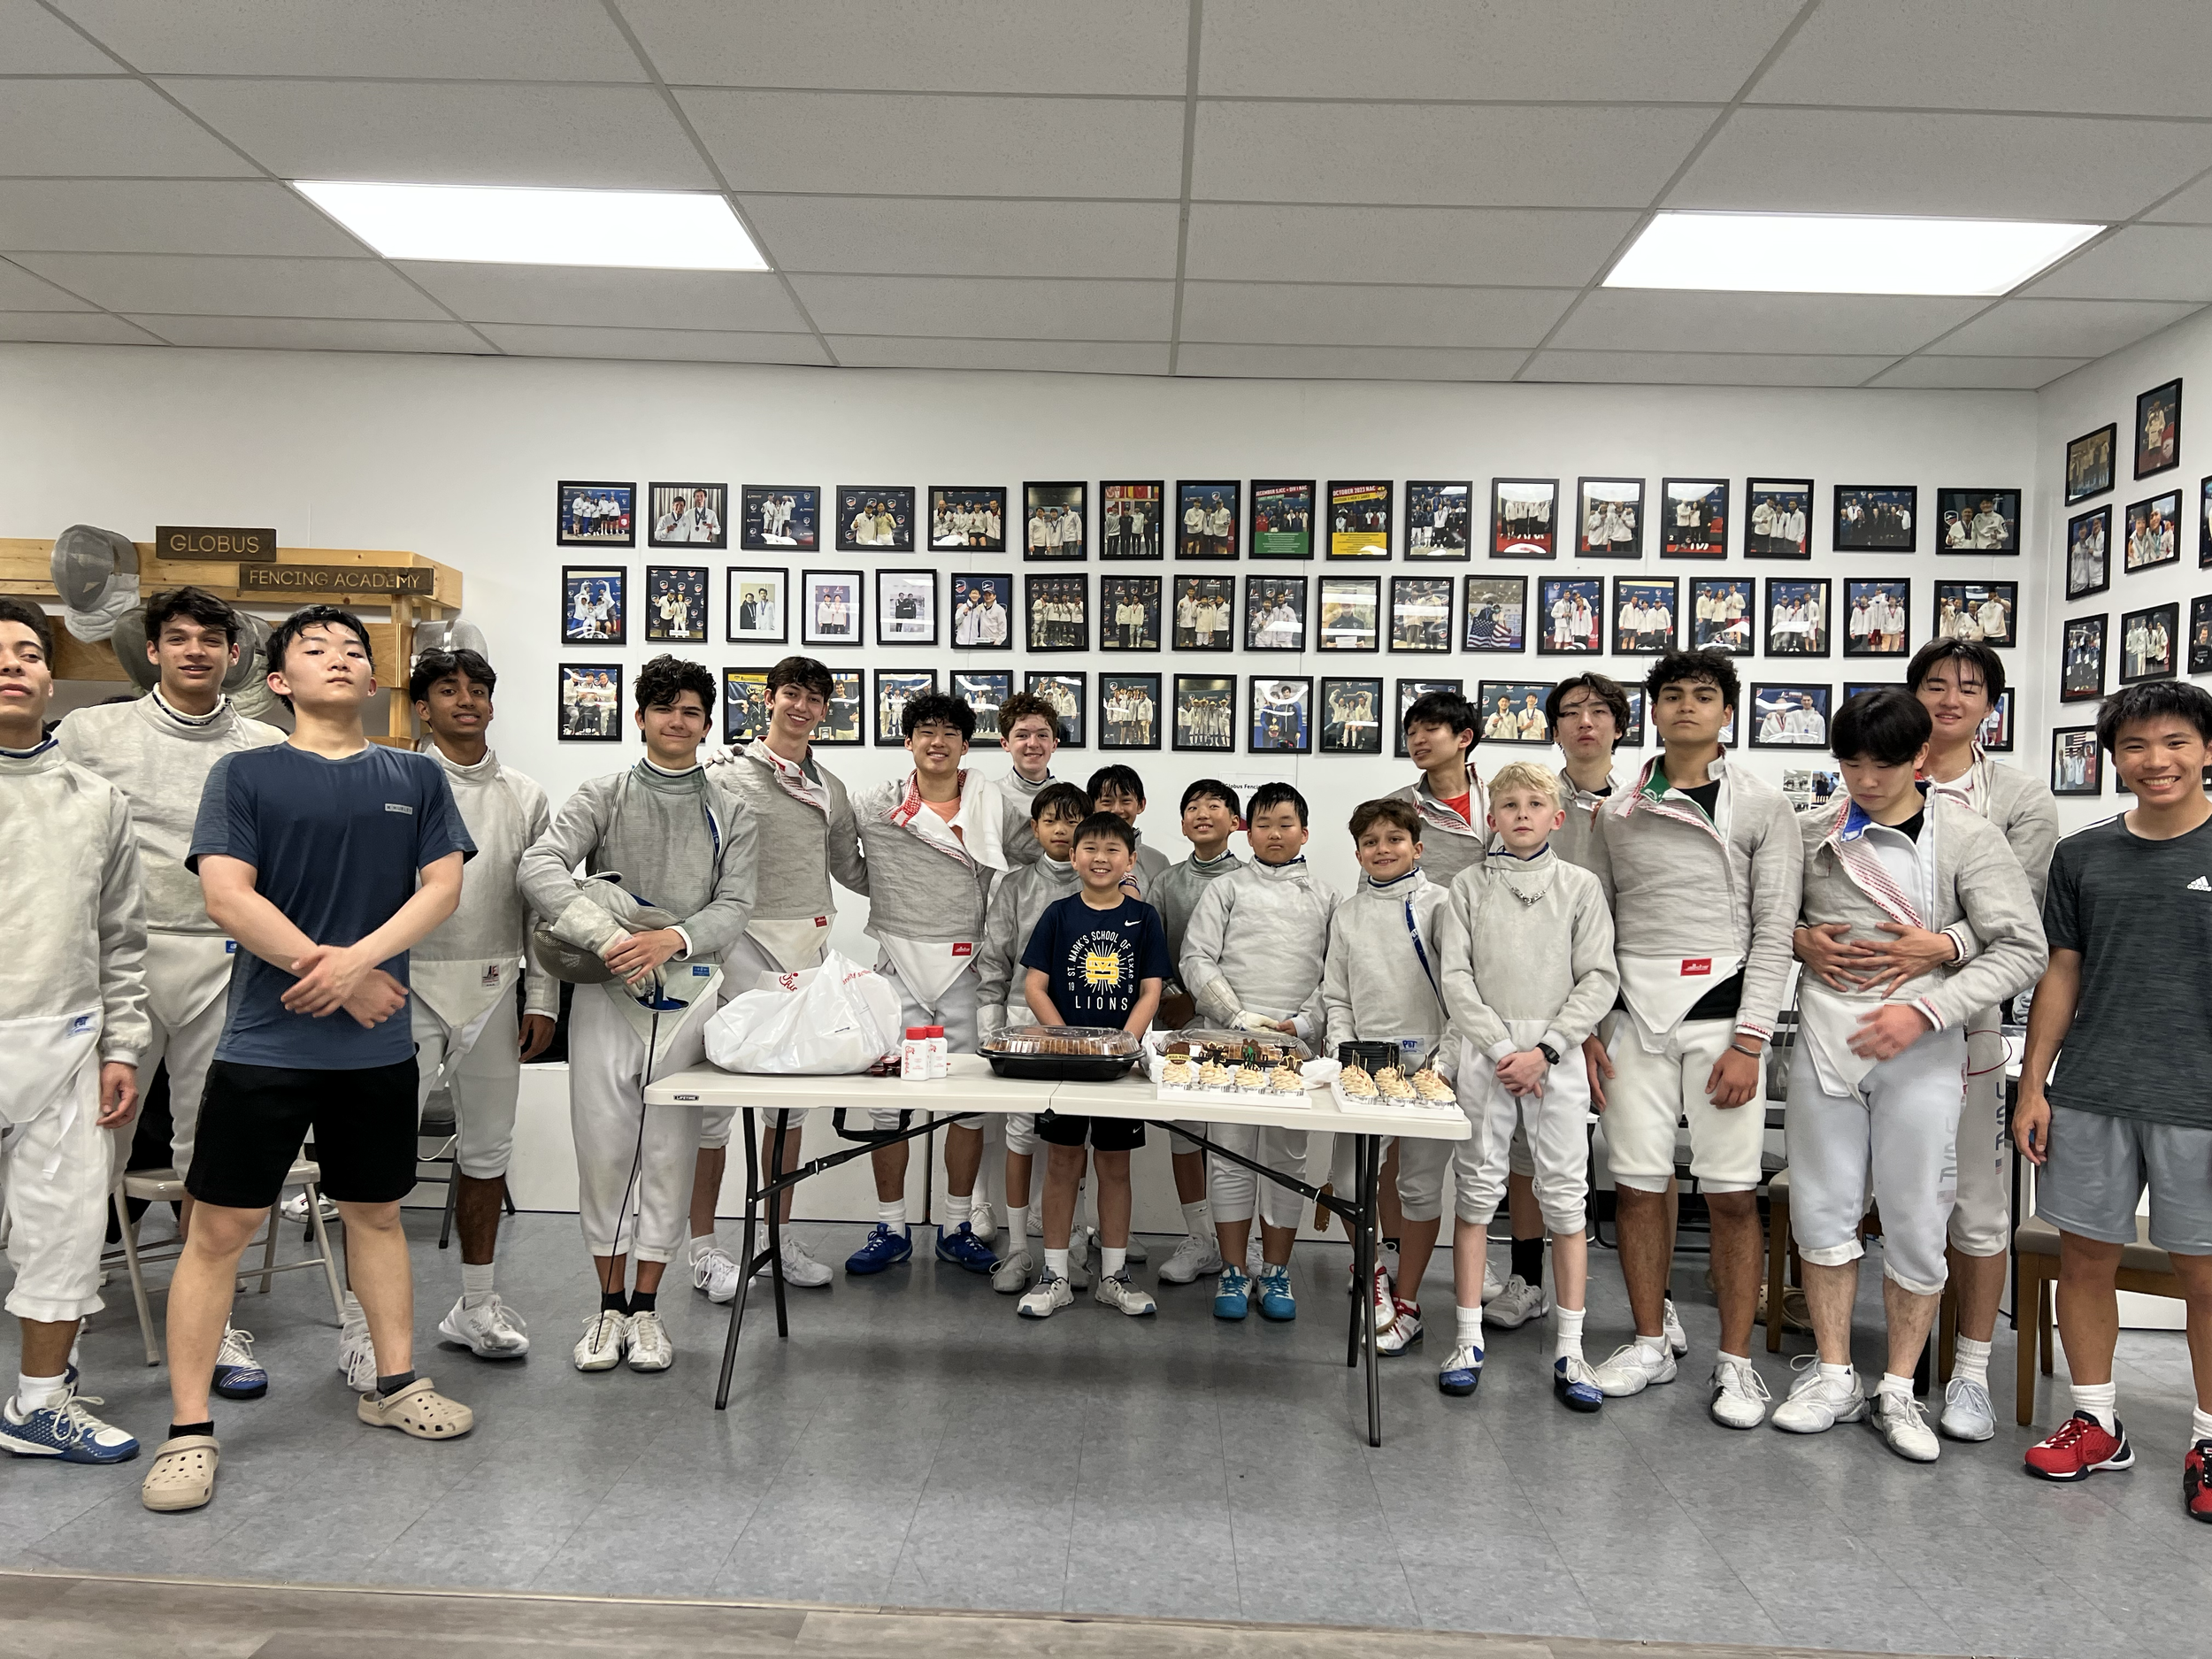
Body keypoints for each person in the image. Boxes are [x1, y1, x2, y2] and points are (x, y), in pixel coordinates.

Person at [145, 605, 475, 1515]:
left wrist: (361, 969)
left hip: (375, 1047)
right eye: (316, 649)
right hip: (264, 1043)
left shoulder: (415, 774)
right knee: (217, 1230)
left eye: (355, 651)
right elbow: (224, 895)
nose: (340, 659)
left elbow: (442, 886)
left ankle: (395, 1383)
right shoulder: (244, 773)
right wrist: (327, 971)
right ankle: (187, 1431)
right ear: (278, 681)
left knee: (374, 1214)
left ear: (377, 682)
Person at [1775, 689, 2046, 1462]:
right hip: (1828, 1036)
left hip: (1926, 1045)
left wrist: (1929, 1004)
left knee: (1918, 1218)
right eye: (1851, 762)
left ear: (1922, 757)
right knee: (1822, 1210)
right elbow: (1759, 920)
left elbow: (2021, 948)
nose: (1865, 778)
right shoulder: (1810, 831)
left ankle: (1897, 1387)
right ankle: (1833, 1374)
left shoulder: (1969, 836)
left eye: (1884, 763)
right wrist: (1800, 941)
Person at [55, 588, 284, 1400]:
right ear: (151, 651)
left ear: (234, 653)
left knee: (207, 1153)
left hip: (228, 961)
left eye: (210, 639)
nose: (195, 651)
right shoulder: (91, 732)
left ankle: (212, 1325)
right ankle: (63, 1339)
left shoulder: (263, 742)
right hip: (121, 961)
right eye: (178, 639)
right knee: (93, 1150)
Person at [519, 655, 758, 1375]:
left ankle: (648, 1311)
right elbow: (539, 866)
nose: (677, 721)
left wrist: (672, 937)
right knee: (603, 1151)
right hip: (605, 993)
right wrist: (613, 938)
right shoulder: (603, 792)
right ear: (641, 717)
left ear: (706, 723)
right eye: (664, 708)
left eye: (690, 711)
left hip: (691, 998)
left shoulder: (731, 807)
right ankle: (607, 1309)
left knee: (668, 1154)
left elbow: (735, 904)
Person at [1585, 649, 1802, 1428]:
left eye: (1702, 696)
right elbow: (1597, 923)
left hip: (1723, 1017)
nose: (1685, 707)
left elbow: (1776, 929)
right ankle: (1649, 1340)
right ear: (1654, 709)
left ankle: (1737, 1365)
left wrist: (1751, 1041)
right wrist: (1590, 1026)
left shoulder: (1761, 805)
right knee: (1638, 1185)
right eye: (1671, 695)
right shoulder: (1618, 808)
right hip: (1632, 1017)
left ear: (1726, 711)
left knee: (1732, 1194)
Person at [2014, 681, 2212, 1516]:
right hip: (2092, 1089)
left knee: (2206, 1274)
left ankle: (2209, 1436)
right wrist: (2035, 1081)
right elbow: (2063, 971)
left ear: (2206, 749)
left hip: (2200, 1101)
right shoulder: (2084, 854)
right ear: (2114, 757)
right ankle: (2097, 1421)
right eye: (2135, 746)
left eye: (2173, 742)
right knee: (2086, 1260)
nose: (2155, 760)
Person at [0, 596, 150, 1469]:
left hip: (65, 1046)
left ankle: (39, 1404)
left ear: (50, 678)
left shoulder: (96, 801)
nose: (13, 663)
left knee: (60, 1235)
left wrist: (123, 1046)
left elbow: (119, 938)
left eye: (28, 651)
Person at [1436, 763, 1618, 1407]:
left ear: (1556, 817)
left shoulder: (1580, 886)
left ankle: (1571, 1348)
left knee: (1567, 1200)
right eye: (1507, 803)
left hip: (1556, 1060)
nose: (1520, 813)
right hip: (1488, 1055)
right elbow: (1454, 977)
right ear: (1492, 816)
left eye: (1534, 803)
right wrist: (1500, 1048)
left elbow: (1598, 977)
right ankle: (1466, 1336)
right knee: (1477, 1192)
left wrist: (1545, 1049)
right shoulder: (1466, 886)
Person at [687, 656, 867, 1301]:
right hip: (738, 943)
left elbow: (850, 864)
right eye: (792, 692)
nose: (802, 706)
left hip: (808, 946)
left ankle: (775, 1236)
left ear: (826, 709)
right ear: (768, 698)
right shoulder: (723, 772)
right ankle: (703, 1249)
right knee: (712, 1109)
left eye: (816, 697)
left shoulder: (832, 787)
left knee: (787, 1111)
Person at [404, 647, 557, 1365]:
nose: (465, 699)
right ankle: (361, 1328)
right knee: (375, 1160)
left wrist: (545, 995)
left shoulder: (525, 794)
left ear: (492, 704)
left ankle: (476, 1304)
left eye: (477, 689)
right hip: (404, 986)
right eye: (447, 689)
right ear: (422, 706)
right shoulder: (394, 780)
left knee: (488, 1150)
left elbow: (538, 905)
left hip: (496, 985)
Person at [844, 693, 1003, 1277]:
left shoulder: (994, 805)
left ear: (966, 743)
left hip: (968, 967)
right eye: (925, 731)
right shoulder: (872, 803)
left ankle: (958, 1223)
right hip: (900, 964)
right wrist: (888, 891)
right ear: (907, 741)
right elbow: (843, 857)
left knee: (966, 1107)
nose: (937, 741)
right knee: (888, 1107)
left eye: (950, 732)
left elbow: (1041, 853)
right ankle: (890, 1226)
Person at [1181, 782, 1337, 1323]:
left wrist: (1303, 1022)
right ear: (1248, 830)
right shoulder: (1225, 890)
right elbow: (1197, 958)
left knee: (1286, 1162)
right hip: (1230, 1042)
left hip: (1295, 1047)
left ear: (1305, 832)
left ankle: (1275, 1271)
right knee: (1228, 1154)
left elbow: (1334, 974)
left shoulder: (1326, 896)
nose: (1275, 833)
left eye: (1286, 823)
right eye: (1265, 823)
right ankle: (1231, 1269)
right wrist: (1235, 1015)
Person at [1014, 812, 1170, 1319]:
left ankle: (1114, 1276)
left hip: (1117, 1069)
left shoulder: (1144, 918)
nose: (1100, 859)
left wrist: (1124, 1044)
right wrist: (1067, 1040)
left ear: (1130, 859)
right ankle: (1056, 1275)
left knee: (1115, 1167)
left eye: (1112, 850)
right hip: (1065, 1064)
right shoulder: (1059, 914)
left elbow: (1151, 990)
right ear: (1075, 856)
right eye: (1090, 849)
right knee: (1061, 1164)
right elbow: (1035, 986)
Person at [1322, 798, 1451, 1356]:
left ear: (1417, 847)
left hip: (1431, 1068)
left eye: (1394, 840)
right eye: (1371, 842)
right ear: (1357, 853)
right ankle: (1372, 1272)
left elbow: (1462, 991)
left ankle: (1410, 1299)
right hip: (1365, 1068)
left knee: (1419, 1186)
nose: (1383, 850)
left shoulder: (1443, 906)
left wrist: (1444, 1063)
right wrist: (1346, 1055)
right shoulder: (1348, 914)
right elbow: (1337, 995)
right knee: (1351, 1184)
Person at [975, 780, 1090, 1293]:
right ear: (1035, 828)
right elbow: (996, 957)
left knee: (1075, 1137)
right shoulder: (1016, 885)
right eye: (1051, 821)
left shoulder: (1105, 884)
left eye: (1072, 820)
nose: (1062, 830)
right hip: (1024, 1023)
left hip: (1089, 1029)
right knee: (1020, 1134)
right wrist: (990, 1019)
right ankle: (1019, 1248)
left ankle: (1074, 1246)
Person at [1147, 780, 1245, 1285]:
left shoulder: (1251, 878)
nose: (1202, 814)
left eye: (1215, 806)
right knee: (1186, 1132)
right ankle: (1200, 1238)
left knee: (1236, 1137)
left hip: (1238, 1022)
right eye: (1192, 807)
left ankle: (1238, 1244)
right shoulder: (1166, 881)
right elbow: (1152, 950)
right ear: (1182, 822)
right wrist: (1171, 1000)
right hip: (1182, 1019)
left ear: (1236, 821)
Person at [1390, 688, 1486, 888]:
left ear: (1464, 738)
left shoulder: (1497, 802)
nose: (1417, 740)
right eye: (1411, 733)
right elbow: (1372, 886)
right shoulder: (1394, 807)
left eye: (1431, 729)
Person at [988, 690, 1063, 870]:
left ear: (1054, 744)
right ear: (1005, 743)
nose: (1033, 743)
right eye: (1022, 735)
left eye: (1042, 735)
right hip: (1001, 895)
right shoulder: (988, 796)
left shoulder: (1071, 800)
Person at [1088, 764, 1168, 897]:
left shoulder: (1158, 862)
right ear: (1091, 805)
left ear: (1141, 805)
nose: (1117, 810)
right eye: (1107, 801)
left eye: (1126, 801)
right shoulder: (1082, 857)